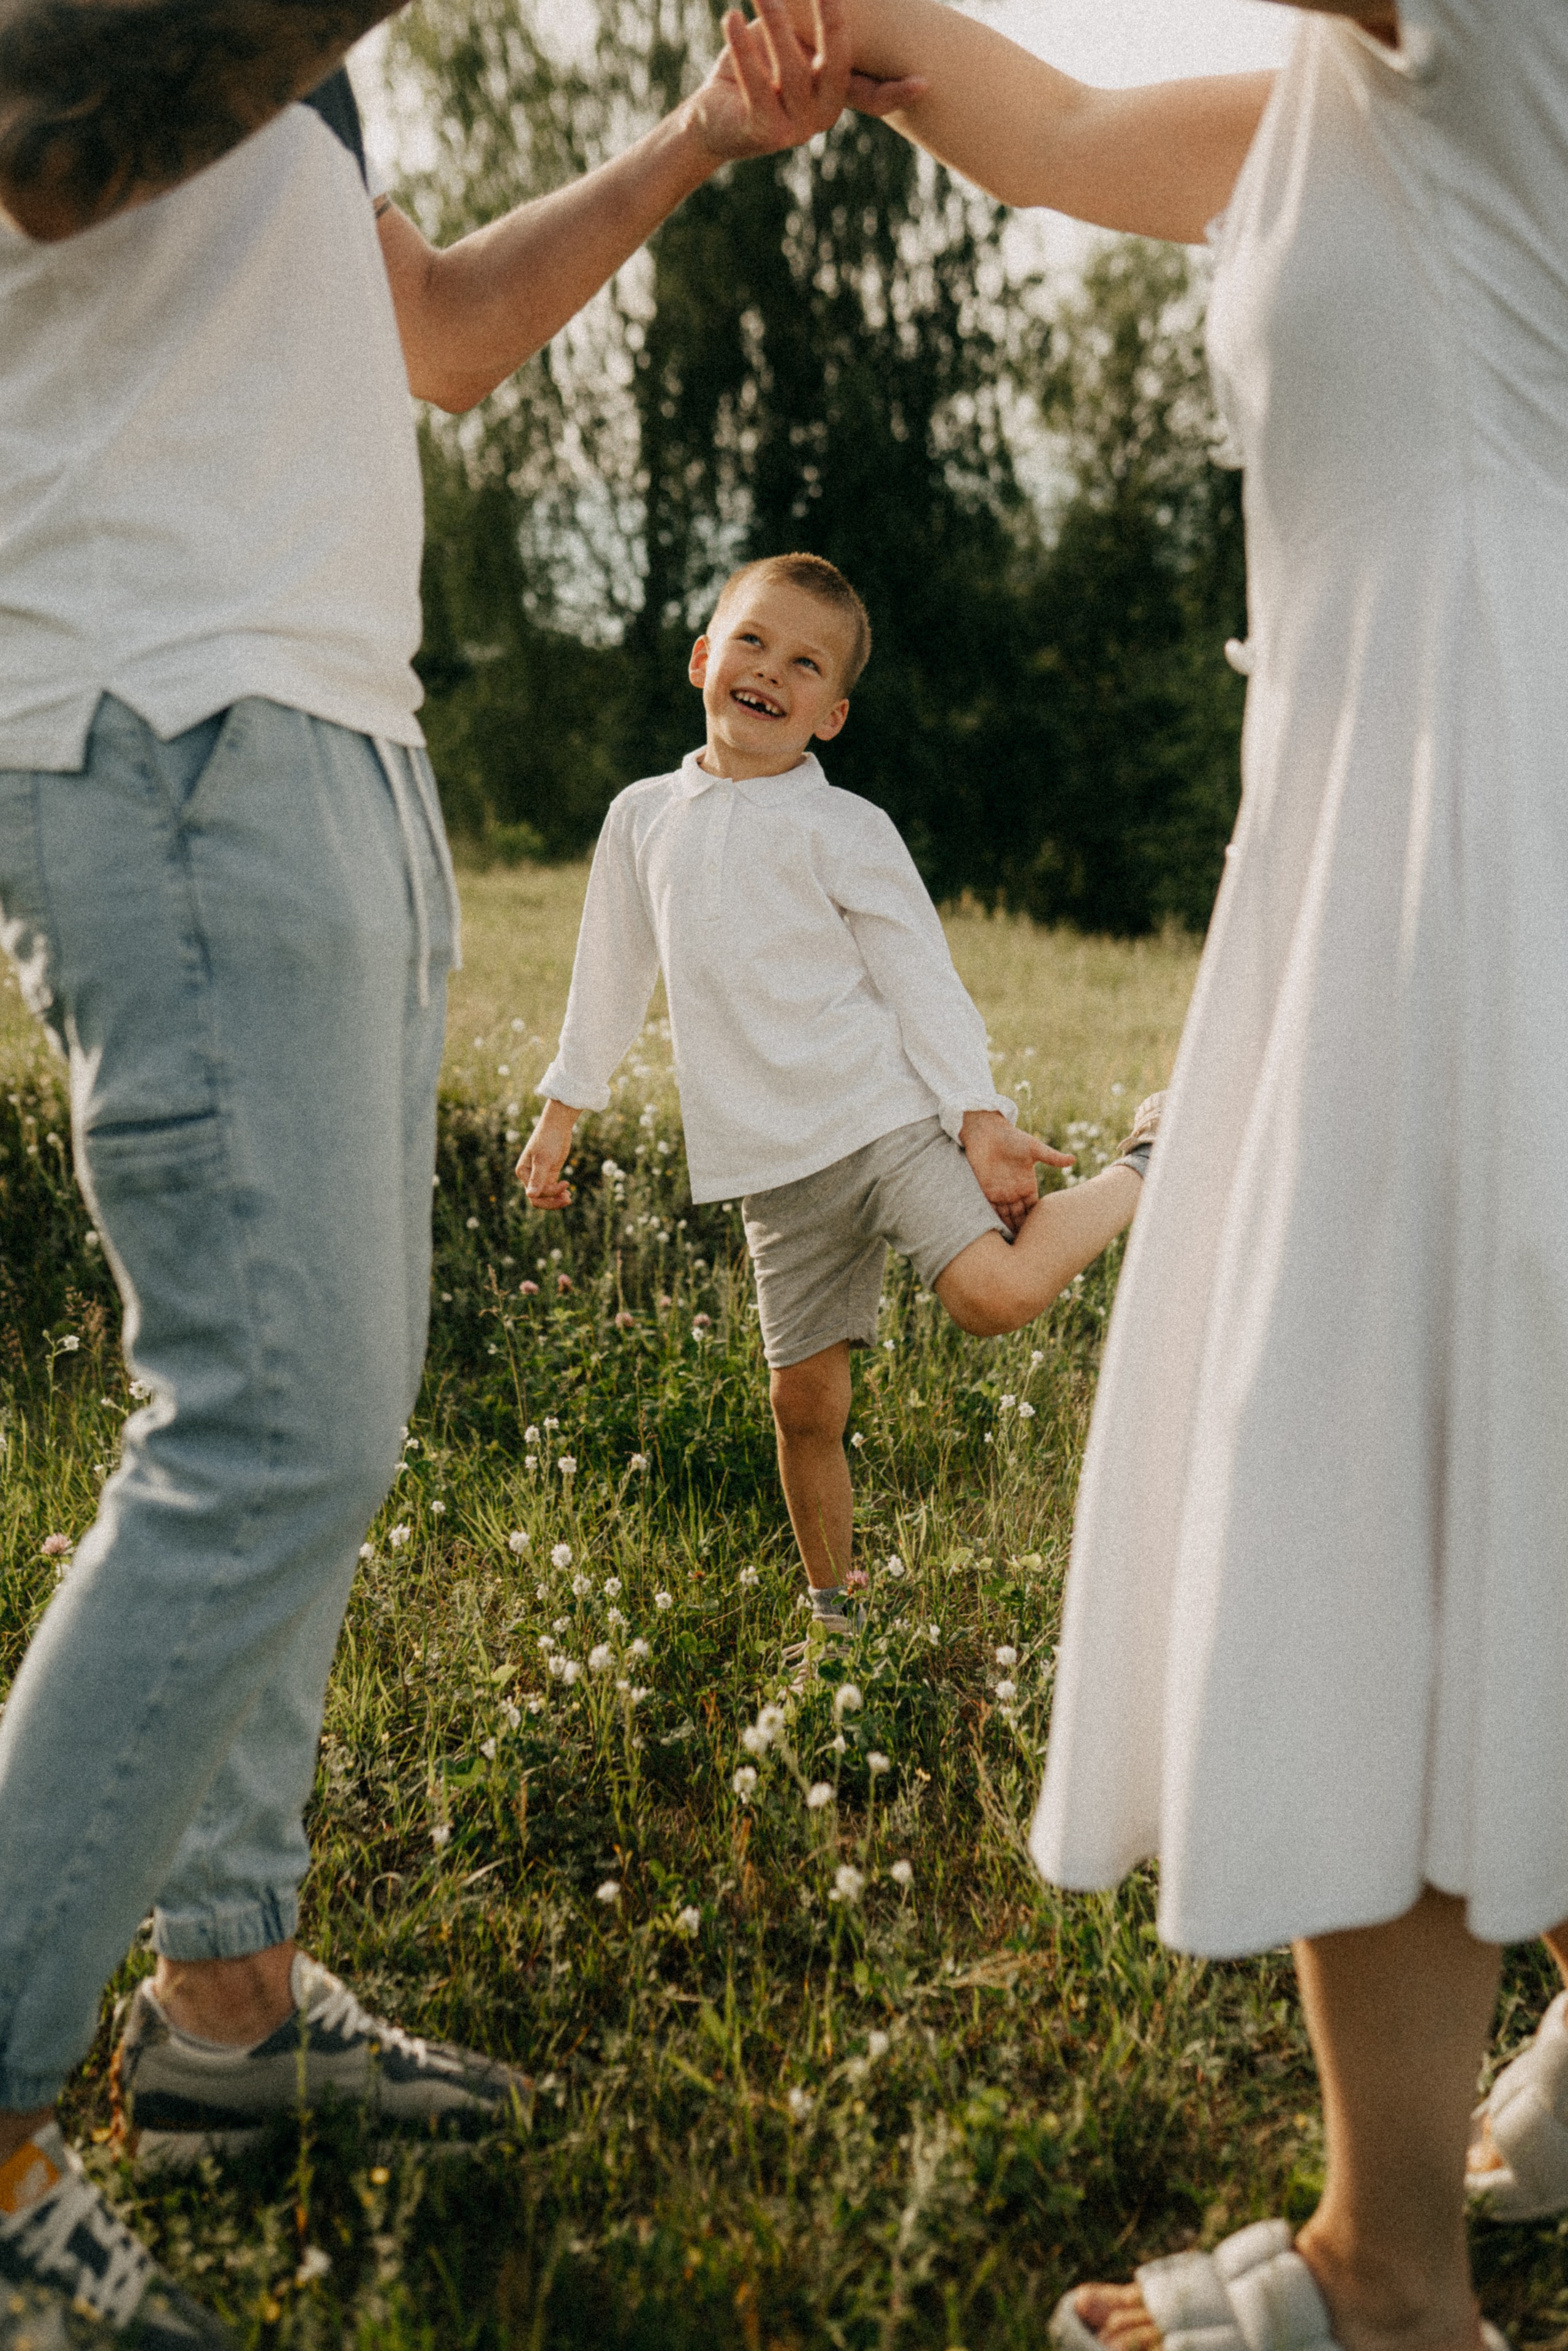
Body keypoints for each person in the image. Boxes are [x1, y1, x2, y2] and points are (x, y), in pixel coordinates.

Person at [0, 5, 922, 2341]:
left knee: (316, 1419)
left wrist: (705, 134)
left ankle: (227, 2003)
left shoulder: (276, 74)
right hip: (164, 721)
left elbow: (430, 332)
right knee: (269, 1426)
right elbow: (40, 141)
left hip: (322, 726)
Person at [785, 1, 1568, 2348]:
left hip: (1458, 789)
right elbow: (1047, 131)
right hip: (1414, 769)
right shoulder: (1342, 103)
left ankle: (1386, 2276)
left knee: (1383, 1448)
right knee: (1492, 1448)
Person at [518, 552, 1158, 1672]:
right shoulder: (641, 819)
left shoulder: (848, 828)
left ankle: (1150, 1162)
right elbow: (611, 971)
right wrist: (565, 1106)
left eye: (806, 664)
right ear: (703, 658)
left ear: (833, 713)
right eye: (753, 642)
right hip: (774, 1168)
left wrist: (979, 1115)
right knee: (803, 1407)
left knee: (994, 1296)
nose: (771, 671)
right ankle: (837, 1619)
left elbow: (921, 976)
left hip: (882, 1123)